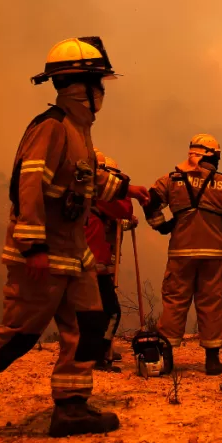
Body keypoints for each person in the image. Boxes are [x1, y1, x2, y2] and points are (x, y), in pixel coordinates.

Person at [0, 36, 150, 438]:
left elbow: (80, 181)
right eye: (98, 82)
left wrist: (125, 189)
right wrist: (33, 247)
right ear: (80, 85)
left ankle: (71, 407)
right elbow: (28, 184)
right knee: (21, 333)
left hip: (73, 254)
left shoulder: (79, 132)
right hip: (45, 253)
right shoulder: (51, 127)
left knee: (90, 326)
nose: (102, 92)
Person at [143, 134, 222, 375]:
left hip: (180, 252)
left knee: (175, 302)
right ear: (212, 156)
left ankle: (165, 359)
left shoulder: (171, 179)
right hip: (214, 253)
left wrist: (161, 225)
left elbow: (149, 200)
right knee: (212, 303)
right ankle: (212, 360)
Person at [86, 151, 135, 372]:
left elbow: (109, 222)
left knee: (85, 313)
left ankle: (91, 352)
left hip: (82, 264)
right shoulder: (100, 194)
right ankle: (98, 355)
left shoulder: (83, 196)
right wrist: (123, 186)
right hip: (95, 266)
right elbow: (123, 209)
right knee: (110, 311)